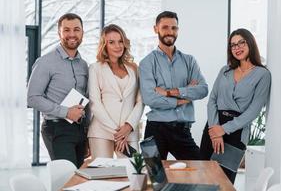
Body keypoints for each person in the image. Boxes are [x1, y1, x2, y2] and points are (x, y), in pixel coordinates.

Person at [199, 28, 271, 183]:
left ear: (250, 43)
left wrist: (223, 130)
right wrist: (215, 129)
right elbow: (212, 100)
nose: (237, 48)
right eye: (233, 45)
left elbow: (254, 111)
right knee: (203, 177)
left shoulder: (262, 74)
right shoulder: (225, 71)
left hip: (237, 132)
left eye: (241, 43)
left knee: (223, 181)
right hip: (213, 127)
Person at [139, 11, 208, 160]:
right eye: (165, 27)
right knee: (152, 179)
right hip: (155, 129)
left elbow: (203, 89)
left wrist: (168, 93)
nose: (170, 32)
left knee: (200, 170)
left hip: (182, 130)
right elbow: (150, 98)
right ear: (155, 29)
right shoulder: (146, 63)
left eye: (174, 28)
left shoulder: (189, 61)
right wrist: (183, 98)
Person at [27, 13, 88, 168]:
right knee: (67, 177)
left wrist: (86, 133)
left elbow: (85, 98)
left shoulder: (83, 65)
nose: (72, 34)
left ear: (82, 32)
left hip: (80, 128)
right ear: (59, 33)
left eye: (76, 29)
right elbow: (32, 97)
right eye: (66, 30)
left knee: (79, 176)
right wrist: (66, 112)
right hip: (56, 128)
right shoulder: (45, 62)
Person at [88, 24, 144, 158]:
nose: (118, 46)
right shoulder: (95, 68)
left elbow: (141, 101)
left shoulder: (134, 68)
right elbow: (95, 103)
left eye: (120, 41)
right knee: (104, 173)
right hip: (101, 132)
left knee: (132, 172)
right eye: (111, 42)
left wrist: (128, 127)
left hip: (129, 132)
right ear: (104, 45)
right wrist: (117, 133)